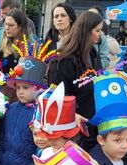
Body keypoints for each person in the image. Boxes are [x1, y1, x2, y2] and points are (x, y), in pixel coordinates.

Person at [47, 11, 103, 151]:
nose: (100, 34)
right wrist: (73, 115)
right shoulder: (63, 61)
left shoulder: (93, 55)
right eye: (97, 30)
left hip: (92, 127)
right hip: (70, 133)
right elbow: (56, 98)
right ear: (87, 32)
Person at [0, 8, 31, 75]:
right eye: (6, 24)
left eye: (11, 25)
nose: (7, 28)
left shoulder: (30, 46)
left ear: (20, 27)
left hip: (20, 85)